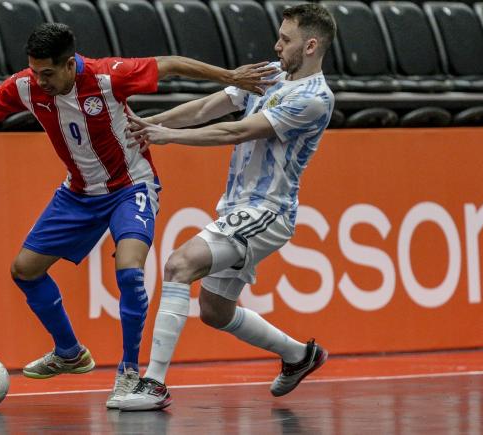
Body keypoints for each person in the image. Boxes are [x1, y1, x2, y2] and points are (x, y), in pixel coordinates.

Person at [0, 23, 274, 409]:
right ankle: (69, 353)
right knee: (25, 269)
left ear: (71, 64)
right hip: (78, 194)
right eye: (34, 70)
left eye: (48, 72)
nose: (39, 80)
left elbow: (169, 64)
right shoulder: (26, 86)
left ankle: (128, 373)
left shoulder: (109, 76)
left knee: (129, 270)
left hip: (131, 187)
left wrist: (229, 76)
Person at [118, 3, 337, 411]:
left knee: (180, 264)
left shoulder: (316, 98)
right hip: (238, 207)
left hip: (267, 211)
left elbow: (237, 130)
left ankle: (153, 384)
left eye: (285, 40)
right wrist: (148, 125)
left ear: (310, 46)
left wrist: (167, 136)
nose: (276, 45)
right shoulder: (271, 74)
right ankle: (299, 355)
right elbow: (207, 108)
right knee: (215, 312)